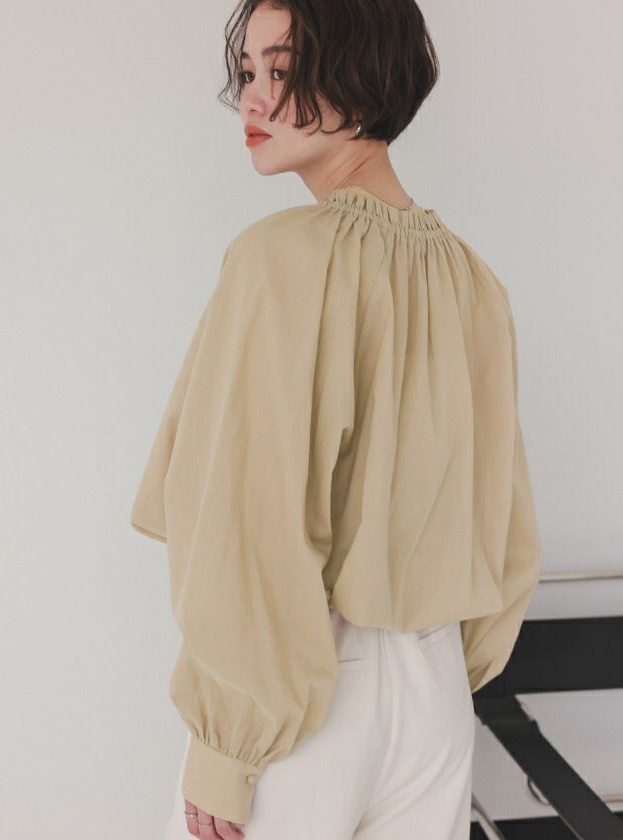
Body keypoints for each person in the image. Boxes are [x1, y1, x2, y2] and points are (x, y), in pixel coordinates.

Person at [130, 0, 543, 837]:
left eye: (282, 70)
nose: (252, 98)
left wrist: (229, 744)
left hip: (303, 702)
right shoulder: (474, 283)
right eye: (247, 71)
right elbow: (503, 522)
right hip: (436, 696)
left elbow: (249, 519)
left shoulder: (279, 258)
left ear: (363, 74)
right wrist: (436, 677)